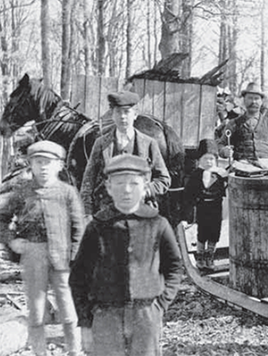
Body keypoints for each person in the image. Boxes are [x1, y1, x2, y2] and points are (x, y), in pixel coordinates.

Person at [69, 154, 183, 356]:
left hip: (146, 313)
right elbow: (78, 276)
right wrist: (85, 321)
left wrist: (161, 304)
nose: (127, 190)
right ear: (108, 187)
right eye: (120, 183)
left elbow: (174, 266)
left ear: (145, 184)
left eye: (134, 183)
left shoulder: (157, 224)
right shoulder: (98, 226)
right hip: (105, 315)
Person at [0, 141, 84, 356]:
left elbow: (78, 228)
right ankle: (40, 353)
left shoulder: (67, 193)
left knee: (68, 312)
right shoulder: (23, 192)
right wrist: (11, 241)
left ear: (59, 166)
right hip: (33, 256)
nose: (43, 167)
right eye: (38, 162)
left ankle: (74, 351)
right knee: (37, 314)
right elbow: (2, 219)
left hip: (61, 257)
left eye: (48, 162)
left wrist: (75, 257)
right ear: (31, 165)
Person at [80, 91, 171, 218]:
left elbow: (164, 180)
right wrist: (87, 213)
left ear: (135, 115)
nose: (122, 117)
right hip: (106, 214)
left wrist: (144, 191)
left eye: (127, 112)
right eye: (118, 112)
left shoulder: (149, 144)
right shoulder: (101, 144)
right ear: (112, 115)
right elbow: (87, 182)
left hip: (140, 213)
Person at [180, 139, 228, 271]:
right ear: (200, 160)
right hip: (202, 208)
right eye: (205, 159)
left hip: (216, 208)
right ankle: (200, 257)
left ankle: (210, 257)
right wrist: (189, 207)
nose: (209, 162)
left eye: (211, 159)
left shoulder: (220, 174)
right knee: (202, 232)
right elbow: (189, 193)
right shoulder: (196, 175)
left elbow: (229, 183)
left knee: (214, 233)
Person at [217, 82, 268, 162]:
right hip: (241, 168)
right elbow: (220, 144)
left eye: (256, 98)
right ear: (244, 100)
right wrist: (224, 151)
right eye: (250, 98)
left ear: (261, 101)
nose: (253, 102)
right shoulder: (233, 124)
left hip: (265, 169)